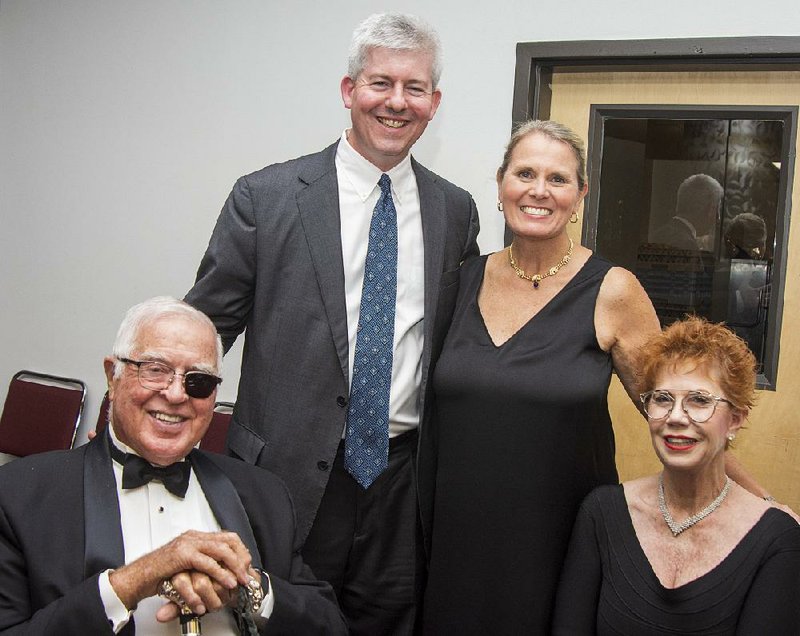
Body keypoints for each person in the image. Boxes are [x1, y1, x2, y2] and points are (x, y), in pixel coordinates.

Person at [185, 13, 479, 634]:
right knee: (278, 623)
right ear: (349, 91)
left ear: (435, 102)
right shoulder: (265, 198)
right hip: (284, 477)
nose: (396, 102)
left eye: (414, 87)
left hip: (403, 482)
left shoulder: (455, 210)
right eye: (380, 83)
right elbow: (204, 331)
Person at [420, 119, 662, 634]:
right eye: (525, 173)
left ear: (580, 196)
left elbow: (678, 415)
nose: (538, 191)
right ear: (502, 182)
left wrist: (751, 506)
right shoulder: (460, 280)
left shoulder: (613, 291)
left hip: (561, 546)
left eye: (558, 179)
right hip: (454, 546)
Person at [0, 297, 346, 635]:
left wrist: (251, 589)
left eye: (199, 381)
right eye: (155, 370)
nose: (177, 394)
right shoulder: (18, 496)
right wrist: (134, 580)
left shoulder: (263, 494)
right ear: (112, 375)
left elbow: (329, 624)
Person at [552, 316, 800, 634]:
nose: (676, 417)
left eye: (699, 401)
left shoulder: (777, 539)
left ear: (735, 419)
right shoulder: (602, 513)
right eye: (662, 399)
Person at [654, 173, 723, 251]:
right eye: (716, 209)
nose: (718, 218)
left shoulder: (657, 234)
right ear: (709, 208)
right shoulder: (686, 244)